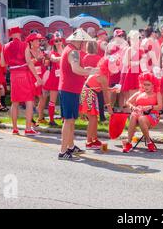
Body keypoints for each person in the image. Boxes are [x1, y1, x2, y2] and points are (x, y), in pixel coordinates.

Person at [58, 29, 97, 161]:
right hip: (69, 89)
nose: (84, 43)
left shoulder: (69, 49)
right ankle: (63, 151)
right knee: (68, 120)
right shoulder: (73, 51)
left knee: (71, 120)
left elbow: (74, 68)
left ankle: (70, 147)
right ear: (77, 40)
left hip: (70, 89)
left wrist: (87, 70)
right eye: (82, 41)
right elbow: (75, 69)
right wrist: (92, 72)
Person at [1, 27, 42, 136]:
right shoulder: (24, 45)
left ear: (10, 35)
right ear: (19, 34)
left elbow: (2, 64)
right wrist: (37, 77)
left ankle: (15, 128)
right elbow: (29, 62)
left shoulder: (5, 46)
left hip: (13, 76)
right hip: (24, 75)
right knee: (29, 101)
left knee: (15, 103)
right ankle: (28, 128)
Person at [123, 73, 163, 153]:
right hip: (139, 114)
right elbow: (127, 102)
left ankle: (148, 142)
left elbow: (160, 107)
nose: (145, 86)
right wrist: (133, 107)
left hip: (152, 115)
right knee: (133, 115)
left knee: (141, 118)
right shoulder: (139, 93)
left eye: (148, 85)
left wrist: (150, 107)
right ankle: (128, 143)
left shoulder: (157, 94)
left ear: (153, 85)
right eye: (144, 84)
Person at [80, 58, 114, 150]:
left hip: (88, 92)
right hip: (89, 93)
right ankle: (89, 142)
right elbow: (105, 95)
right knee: (93, 119)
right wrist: (109, 107)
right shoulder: (103, 76)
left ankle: (94, 139)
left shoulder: (101, 72)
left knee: (94, 118)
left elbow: (103, 88)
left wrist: (111, 89)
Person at [42, 32, 65, 127]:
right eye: (56, 41)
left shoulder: (65, 51)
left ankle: (65, 119)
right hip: (55, 78)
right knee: (52, 100)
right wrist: (65, 57)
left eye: (60, 40)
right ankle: (51, 120)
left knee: (64, 100)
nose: (59, 42)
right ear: (53, 43)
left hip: (64, 78)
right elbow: (54, 59)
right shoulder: (52, 52)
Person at [26, 33, 48, 126]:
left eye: (39, 40)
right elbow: (28, 63)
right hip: (32, 76)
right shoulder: (28, 51)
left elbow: (44, 63)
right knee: (32, 98)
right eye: (37, 40)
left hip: (41, 75)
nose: (39, 42)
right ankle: (31, 119)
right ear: (31, 42)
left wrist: (46, 61)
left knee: (42, 97)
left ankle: (40, 117)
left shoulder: (40, 50)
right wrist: (36, 59)